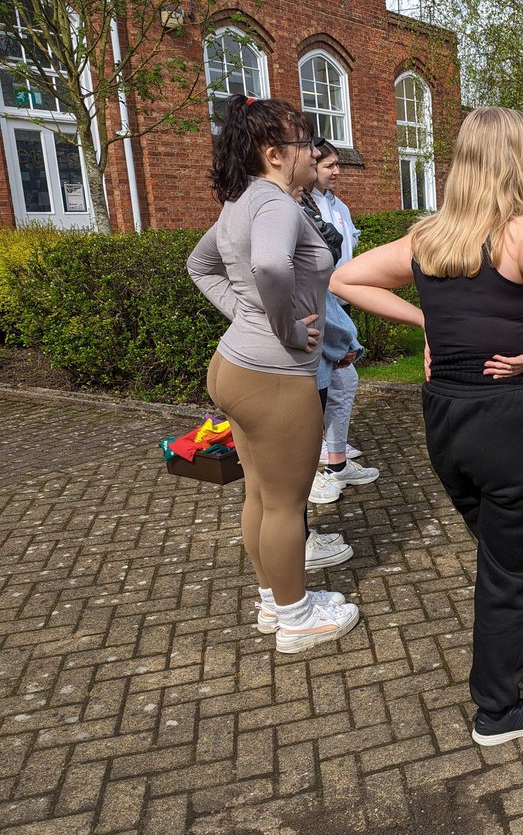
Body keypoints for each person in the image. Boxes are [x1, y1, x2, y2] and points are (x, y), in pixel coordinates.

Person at [331, 106, 523, 746]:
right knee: (510, 566)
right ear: (519, 161)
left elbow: (345, 278)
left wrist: (431, 325)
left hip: (449, 418)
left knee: (512, 549)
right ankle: (497, 708)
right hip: (514, 418)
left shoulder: (430, 239)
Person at [187, 94, 359, 653]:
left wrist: (246, 315)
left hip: (233, 366)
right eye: (304, 142)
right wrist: (282, 328)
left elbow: (202, 265)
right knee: (287, 502)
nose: (312, 151)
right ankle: (296, 617)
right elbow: (266, 266)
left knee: (259, 495)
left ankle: (272, 601)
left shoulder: (241, 202)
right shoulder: (278, 205)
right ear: (275, 153)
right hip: (274, 375)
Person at [310, 143, 373, 475]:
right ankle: (322, 454)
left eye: (338, 165)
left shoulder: (339, 207)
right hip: (322, 302)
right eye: (327, 165)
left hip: (339, 300)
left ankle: (335, 457)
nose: (335, 171)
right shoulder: (303, 207)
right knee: (334, 379)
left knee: (343, 380)